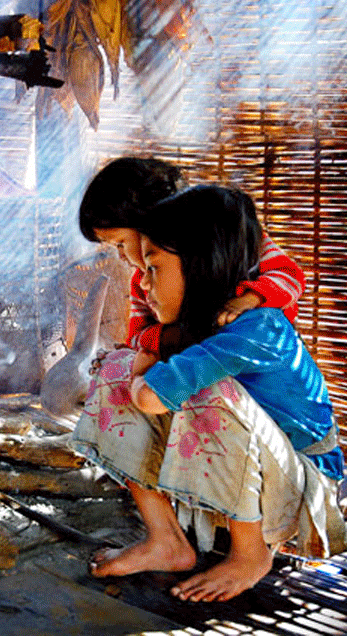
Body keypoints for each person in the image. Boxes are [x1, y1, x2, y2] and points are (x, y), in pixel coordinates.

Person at [70, 184, 346, 602]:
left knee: (203, 393)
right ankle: (166, 540)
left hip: (304, 491)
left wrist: (144, 371)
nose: (143, 285)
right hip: (247, 486)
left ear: (199, 267)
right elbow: (140, 377)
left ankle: (250, 555)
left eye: (155, 269)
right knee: (116, 368)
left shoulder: (257, 327)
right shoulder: (198, 326)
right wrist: (137, 368)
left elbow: (148, 398)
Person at [78, 157, 305, 369]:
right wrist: (177, 337)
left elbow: (289, 276)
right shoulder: (143, 283)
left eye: (120, 243)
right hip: (198, 370)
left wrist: (248, 300)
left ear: (149, 222)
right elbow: (138, 336)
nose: (121, 256)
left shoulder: (234, 237)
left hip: (261, 366)